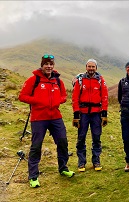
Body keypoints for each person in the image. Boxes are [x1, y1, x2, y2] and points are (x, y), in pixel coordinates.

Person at [19, 54, 75, 188]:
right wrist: (38, 101)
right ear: (42, 65)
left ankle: (63, 168)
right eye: (46, 64)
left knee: (62, 142)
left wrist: (59, 101)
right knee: (36, 146)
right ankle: (33, 176)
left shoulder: (58, 81)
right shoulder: (34, 80)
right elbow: (22, 96)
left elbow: (64, 95)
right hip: (39, 118)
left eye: (51, 64)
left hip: (55, 116)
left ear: (53, 66)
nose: (48, 66)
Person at [72, 58, 108, 172]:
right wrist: (76, 115)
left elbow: (105, 97)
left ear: (96, 68)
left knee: (96, 137)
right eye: (89, 66)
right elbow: (75, 97)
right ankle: (81, 162)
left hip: (96, 113)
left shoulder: (100, 80)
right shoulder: (80, 80)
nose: (91, 68)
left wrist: (104, 114)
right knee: (81, 137)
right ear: (86, 67)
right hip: (83, 113)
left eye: (93, 67)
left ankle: (96, 161)